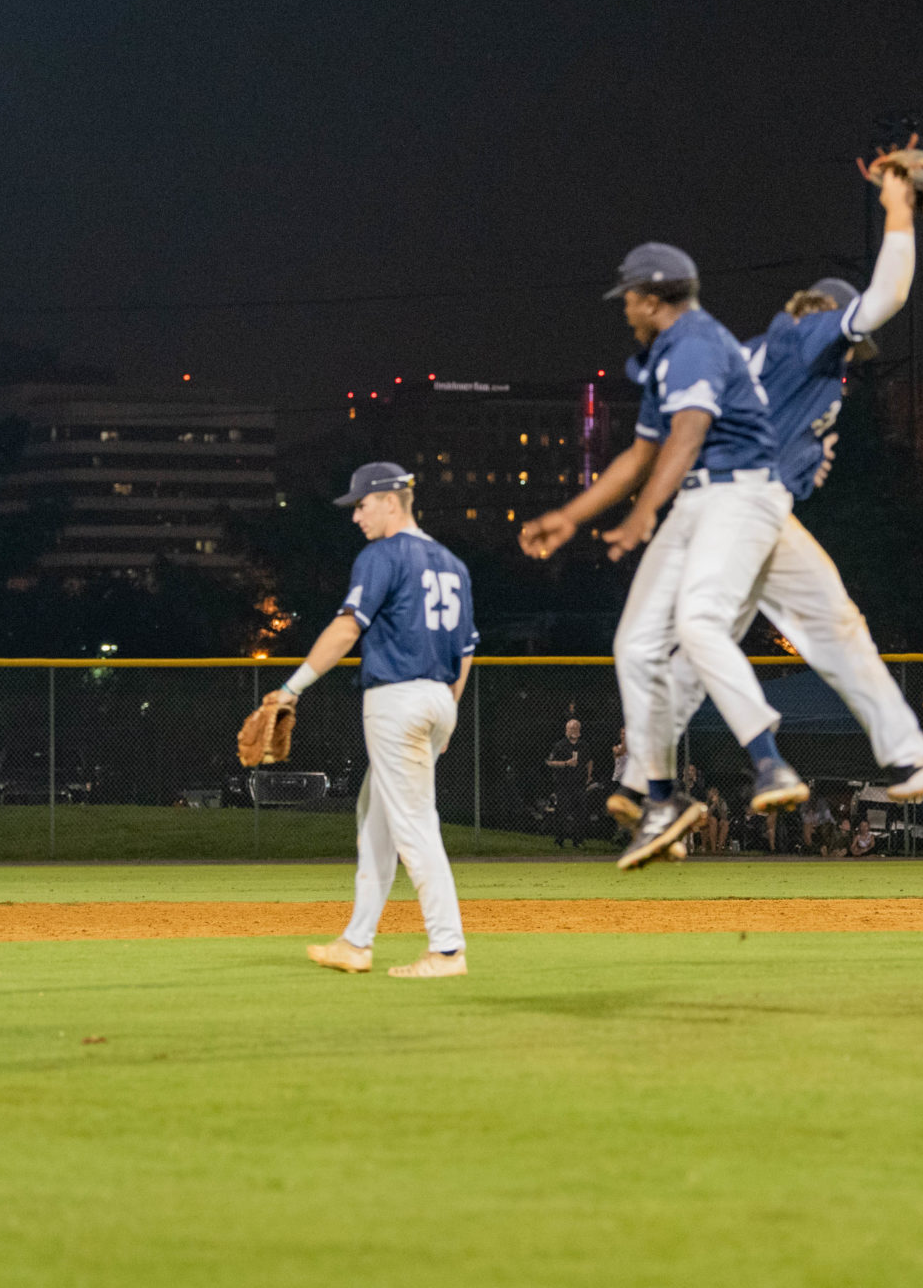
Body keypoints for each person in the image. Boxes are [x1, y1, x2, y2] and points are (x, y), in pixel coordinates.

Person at [590, 156, 923, 838]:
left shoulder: (750, 354)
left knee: (742, 639)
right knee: (764, 628)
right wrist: (899, 210)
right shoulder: (805, 336)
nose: (854, 357)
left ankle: (644, 784)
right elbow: (884, 297)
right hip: (744, 507)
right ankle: (798, 760)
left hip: (737, 510)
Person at [518, 241, 804, 869]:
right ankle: (662, 797)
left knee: (698, 630)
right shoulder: (665, 356)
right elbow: (640, 452)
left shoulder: (696, 341)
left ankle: (769, 764)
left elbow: (689, 432)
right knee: (635, 646)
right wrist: (570, 517)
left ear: (651, 298)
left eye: (628, 298)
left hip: (737, 503)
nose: (624, 309)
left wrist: (644, 513)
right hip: (704, 506)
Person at [279, 462, 476, 980]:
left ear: (391, 500)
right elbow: (468, 651)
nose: (356, 516)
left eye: (362, 504)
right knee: (375, 819)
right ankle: (356, 942)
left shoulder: (383, 555)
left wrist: (290, 688)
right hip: (437, 698)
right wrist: (448, 713)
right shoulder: (453, 563)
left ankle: (448, 949)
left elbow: (347, 629)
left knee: (413, 826)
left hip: (397, 701)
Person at [545, 718, 590, 847]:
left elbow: (589, 761)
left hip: (579, 783)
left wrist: (589, 775)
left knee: (580, 812)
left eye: (576, 728)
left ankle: (578, 841)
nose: (573, 730)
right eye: (571, 728)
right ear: (566, 730)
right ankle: (559, 840)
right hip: (564, 783)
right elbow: (550, 762)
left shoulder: (583, 745)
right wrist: (565, 763)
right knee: (562, 811)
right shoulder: (560, 745)